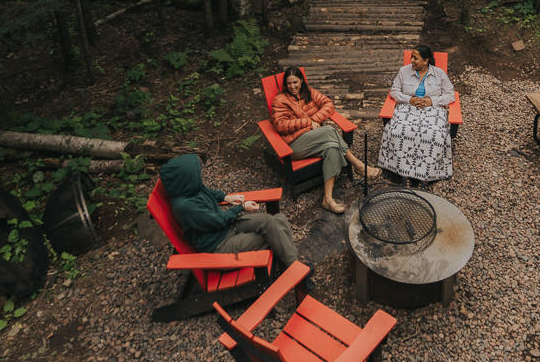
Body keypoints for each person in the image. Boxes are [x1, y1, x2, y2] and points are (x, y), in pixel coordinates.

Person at [159, 153, 306, 279]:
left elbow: (208, 192)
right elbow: (219, 221)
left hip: (228, 228)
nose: (200, 175)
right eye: (196, 173)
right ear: (186, 177)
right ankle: (296, 272)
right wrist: (241, 207)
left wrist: (226, 197)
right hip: (220, 246)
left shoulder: (190, 189)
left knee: (277, 219)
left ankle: (290, 264)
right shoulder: (185, 207)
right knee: (274, 233)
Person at [270, 66, 380, 214]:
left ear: (301, 81)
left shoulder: (309, 92)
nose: (292, 86)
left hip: (316, 138)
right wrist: (308, 122)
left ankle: (327, 199)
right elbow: (280, 125)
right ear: (285, 84)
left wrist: (314, 120)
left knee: (332, 148)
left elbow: (328, 105)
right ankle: (358, 165)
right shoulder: (280, 100)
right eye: (289, 83)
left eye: (295, 82)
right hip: (294, 145)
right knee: (329, 130)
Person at [377, 44, 454, 185]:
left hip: (433, 110)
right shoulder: (404, 71)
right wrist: (409, 99)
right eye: (411, 57)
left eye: (415, 58)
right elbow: (394, 91)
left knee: (434, 134)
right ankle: (400, 170)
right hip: (407, 107)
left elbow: (450, 94)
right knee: (397, 130)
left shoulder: (439, 74)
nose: (411, 60)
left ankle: (426, 172)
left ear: (426, 60)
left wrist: (432, 101)